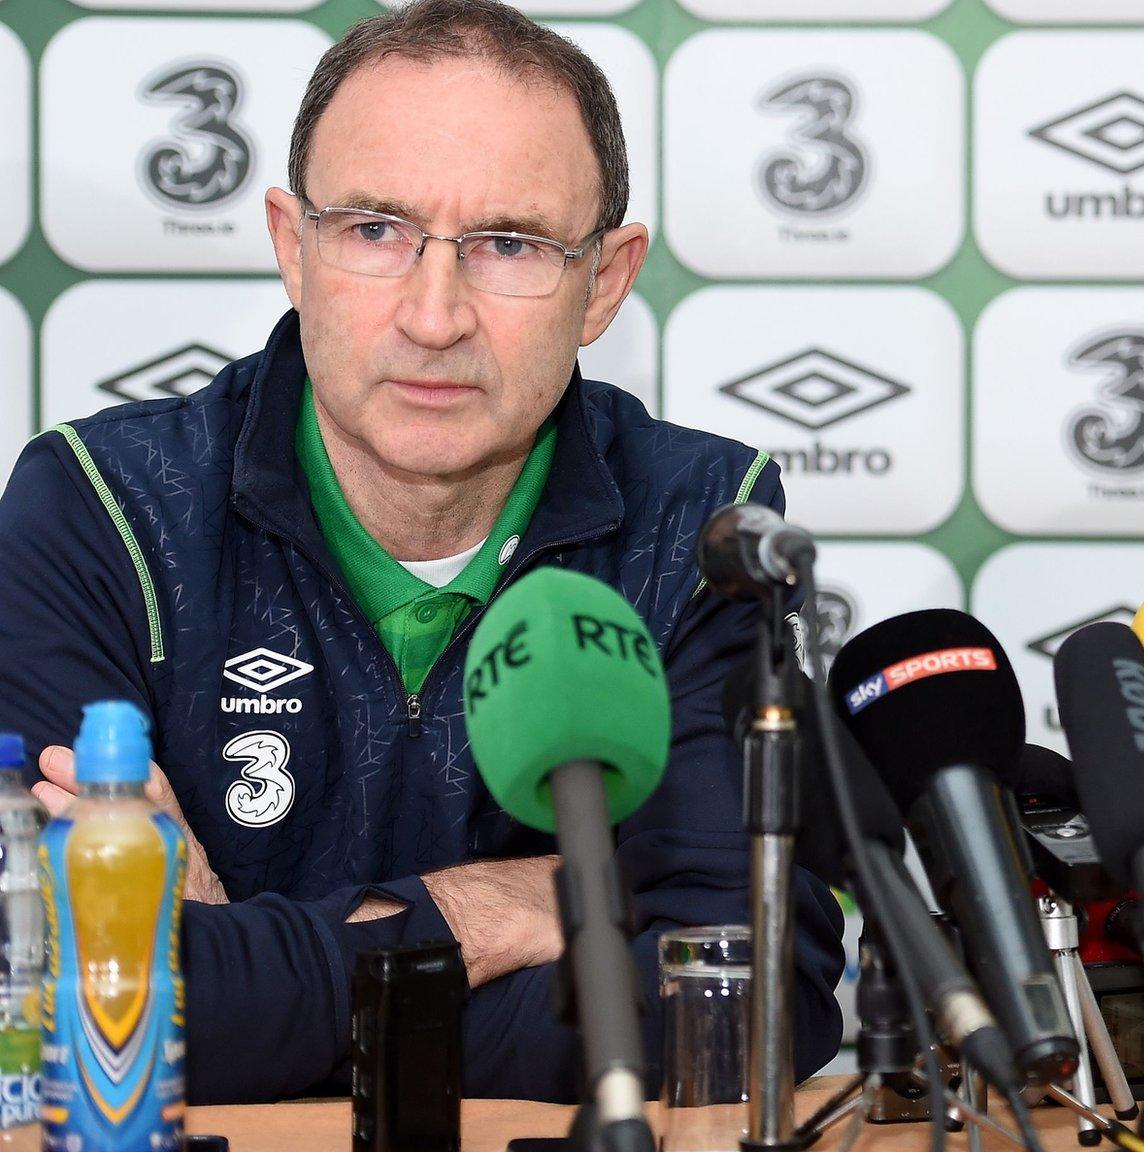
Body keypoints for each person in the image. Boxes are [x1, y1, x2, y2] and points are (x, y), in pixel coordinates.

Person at [0, 0, 843, 1103]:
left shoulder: (704, 525)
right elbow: (55, 999)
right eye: (373, 231)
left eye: (508, 244)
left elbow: (747, 1005)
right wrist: (511, 910)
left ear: (603, 282)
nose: (434, 314)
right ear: (290, 247)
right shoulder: (102, 509)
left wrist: (234, 965)